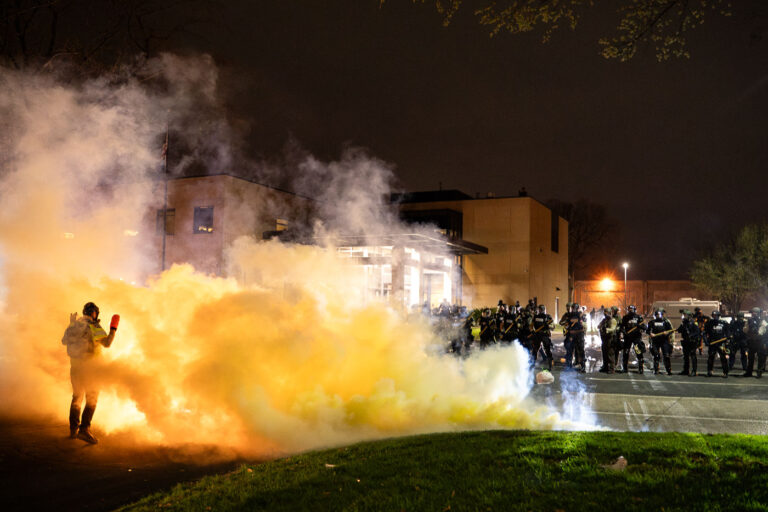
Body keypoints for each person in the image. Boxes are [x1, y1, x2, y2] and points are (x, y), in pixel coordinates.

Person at [61, 302, 118, 444]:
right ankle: (84, 430)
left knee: (77, 398)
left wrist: (71, 324)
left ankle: (73, 429)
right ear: (94, 313)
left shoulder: (74, 326)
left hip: (75, 369)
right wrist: (113, 328)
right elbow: (107, 343)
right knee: (91, 399)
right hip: (91, 369)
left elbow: (64, 341)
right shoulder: (93, 326)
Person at [646, 309, 674, 375]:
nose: (658, 316)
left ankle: (668, 370)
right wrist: (650, 333)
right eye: (657, 315)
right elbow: (647, 331)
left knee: (666, 355)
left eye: (660, 315)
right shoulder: (651, 322)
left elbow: (671, 330)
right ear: (655, 315)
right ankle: (656, 370)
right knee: (656, 355)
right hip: (655, 341)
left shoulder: (665, 322)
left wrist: (667, 333)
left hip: (664, 341)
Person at [620, 305, 646, 374]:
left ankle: (641, 368)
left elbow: (645, 327)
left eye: (632, 309)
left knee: (638, 351)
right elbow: (621, 327)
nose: (630, 310)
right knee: (626, 352)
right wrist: (624, 332)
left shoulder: (639, 317)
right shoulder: (625, 317)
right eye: (629, 309)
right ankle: (625, 368)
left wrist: (639, 326)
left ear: (635, 309)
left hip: (636, 337)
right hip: (628, 338)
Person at [704, 310, 729, 378]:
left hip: (721, 343)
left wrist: (727, 340)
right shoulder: (709, 323)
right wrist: (706, 342)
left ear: (718, 316)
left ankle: (725, 372)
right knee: (711, 357)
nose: (714, 317)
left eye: (716, 316)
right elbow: (704, 333)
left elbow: (728, 333)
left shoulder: (724, 323)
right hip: (712, 343)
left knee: (723, 358)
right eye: (713, 316)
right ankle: (710, 371)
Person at [676, 310, 701, 376]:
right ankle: (686, 370)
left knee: (693, 356)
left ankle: (694, 371)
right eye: (683, 315)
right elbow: (679, 330)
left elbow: (697, 332)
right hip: (686, 341)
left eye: (684, 315)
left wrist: (691, 335)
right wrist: (681, 326)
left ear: (688, 316)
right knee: (686, 356)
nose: (683, 316)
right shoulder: (684, 323)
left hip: (692, 342)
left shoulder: (693, 323)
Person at [743, 307, 766, 378]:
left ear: (758, 313)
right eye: (753, 312)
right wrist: (750, 331)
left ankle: (759, 372)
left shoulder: (762, 321)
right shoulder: (749, 321)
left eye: (755, 312)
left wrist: (757, 332)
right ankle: (749, 372)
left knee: (760, 358)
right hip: (751, 341)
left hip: (759, 341)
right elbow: (745, 330)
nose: (754, 314)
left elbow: (762, 331)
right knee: (750, 358)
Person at [531, 305, 554, 370]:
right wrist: (532, 331)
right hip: (537, 335)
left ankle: (550, 365)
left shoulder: (548, 317)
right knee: (535, 349)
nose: (540, 310)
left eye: (541, 309)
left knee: (547, 349)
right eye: (540, 309)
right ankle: (532, 364)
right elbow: (531, 325)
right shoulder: (535, 317)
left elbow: (553, 327)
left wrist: (548, 326)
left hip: (544, 334)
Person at [597, 306, 619, 373]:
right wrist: (601, 327)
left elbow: (612, 329)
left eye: (606, 313)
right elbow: (598, 326)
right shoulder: (604, 320)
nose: (605, 314)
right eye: (605, 312)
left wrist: (606, 329)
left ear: (610, 313)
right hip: (604, 339)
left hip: (610, 339)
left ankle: (612, 369)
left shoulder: (613, 320)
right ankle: (605, 367)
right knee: (604, 353)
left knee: (610, 354)